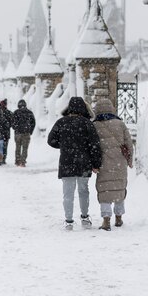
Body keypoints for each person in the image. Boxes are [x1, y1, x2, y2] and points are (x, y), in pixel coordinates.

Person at [47, 97, 102, 230]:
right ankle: (84, 217)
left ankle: (69, 220)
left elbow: (51, 140)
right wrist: (96, 164)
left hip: (66, 162)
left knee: (68, 192)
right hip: (84, 162)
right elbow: (94, 145)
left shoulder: (61, 122)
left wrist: (64, 145)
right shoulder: (87, 124)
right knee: (83, 190)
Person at [92, 98, 133, 231]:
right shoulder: (120, 124)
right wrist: (130, 160)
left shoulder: (95, 125)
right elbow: (129, 144)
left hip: (103, 163)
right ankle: (119, 218)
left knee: (105, 190)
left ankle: (106, 220)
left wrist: (93, 163)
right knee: (119, 190)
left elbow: (92, 146)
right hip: (119, 162)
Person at [11, 99, 36, 167]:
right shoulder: (29, 112)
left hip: (18, 133)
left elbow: (12, 122)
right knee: (25, 148)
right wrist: (30, 131)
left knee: (17, 147)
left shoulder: (16, 112)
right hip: (26, 133)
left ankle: (17, 161)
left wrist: (15, 128)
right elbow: (33, 123)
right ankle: (23, 162)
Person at [0, 100, 13, 165]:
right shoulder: (9, 113)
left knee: (1, 146)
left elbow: (12, 122)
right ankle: (3, 158)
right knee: (4, 146)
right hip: (5, 132)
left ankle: (2, 158)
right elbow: (12, 122)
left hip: (1, 132)